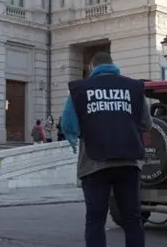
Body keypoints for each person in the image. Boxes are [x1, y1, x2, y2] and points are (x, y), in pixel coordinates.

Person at [61, 52, 152, 247]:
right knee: (132, 219)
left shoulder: (80, 89)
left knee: (95, 220)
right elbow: (146, 123)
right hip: (128, 162)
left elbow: (68, 125)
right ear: (114, 65)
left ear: (92, 67)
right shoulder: (133, 88)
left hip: (94, 163)